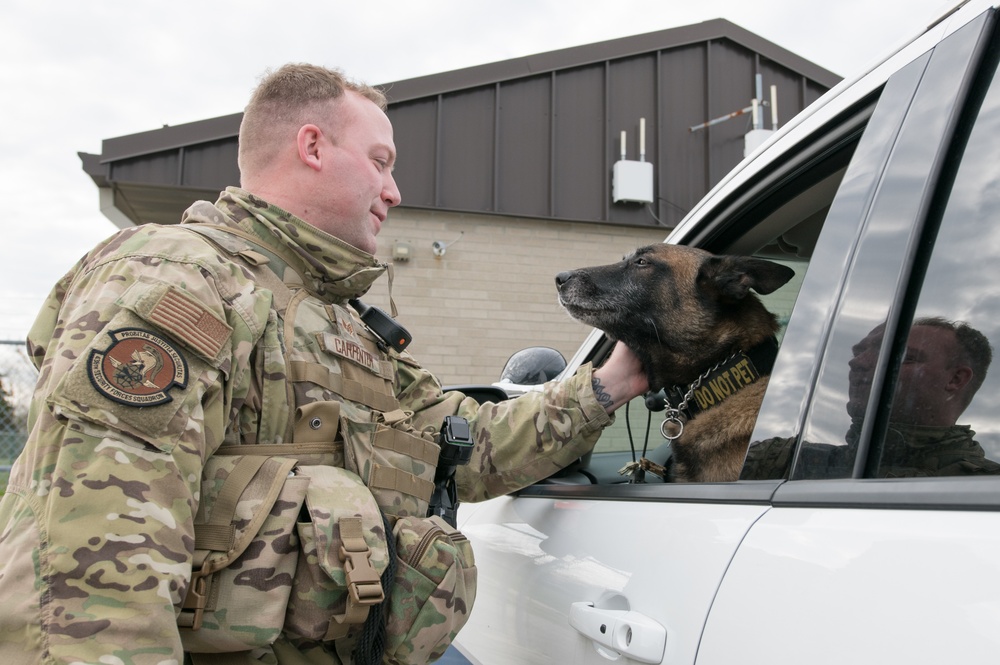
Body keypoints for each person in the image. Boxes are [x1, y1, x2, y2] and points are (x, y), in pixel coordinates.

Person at [0, 64, 648, 665]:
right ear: (312, 147)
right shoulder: (183, 278)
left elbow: (465, 443)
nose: (394, 189)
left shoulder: (342, 324)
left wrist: (609, 384)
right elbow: (89, 568)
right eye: (380, 161)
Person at [742, 316, 1000, 479]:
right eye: (859, 352)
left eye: (901, 356)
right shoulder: (780, 459)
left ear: (955, 379)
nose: (858, 362)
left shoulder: (985, 485)